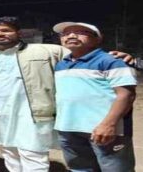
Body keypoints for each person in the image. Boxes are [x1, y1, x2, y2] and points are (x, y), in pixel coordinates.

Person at [0, 17, 132, 171]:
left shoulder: (48, 51)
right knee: (9, 153)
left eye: (5, 30)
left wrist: (120, 56)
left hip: (33, 115)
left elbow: (82, 53)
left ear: (18, 32)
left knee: (33, 154)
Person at [52, 22, 138, 172]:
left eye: (80, 32)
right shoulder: (61, 64)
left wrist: (108, 125)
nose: (71, 36)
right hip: (68, 128)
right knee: (80, 169)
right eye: (65, 34)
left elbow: (126, 95)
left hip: (104, 130)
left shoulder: (111, 61)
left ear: (97, 39)